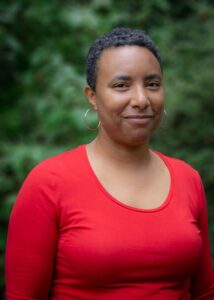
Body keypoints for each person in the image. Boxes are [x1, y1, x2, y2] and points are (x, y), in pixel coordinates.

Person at [5, 28, 214, 299]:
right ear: (92, 96)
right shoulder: (49, 182)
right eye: (121, 85)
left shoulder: (188, 179)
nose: (141, 100)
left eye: (152, 84)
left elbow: (205, 292)